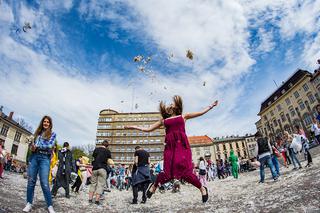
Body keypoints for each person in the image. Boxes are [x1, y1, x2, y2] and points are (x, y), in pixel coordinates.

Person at [125, 95, 218, 203]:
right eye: (169, 104)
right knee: (168, 173)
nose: (170, 104)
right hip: (169, 147)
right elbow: (148, 129)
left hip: (182, 146)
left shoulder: (184, 116)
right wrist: (133, 127)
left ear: (177, 106)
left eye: (172, 104)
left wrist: (211, 106)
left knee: (186, 173)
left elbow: (200, 113)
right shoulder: (163, 121)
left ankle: (202, 188)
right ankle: (155, 185)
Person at [23, 116, 56, 213]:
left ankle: (50, 206)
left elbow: (50, 145)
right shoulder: (36, 134)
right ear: (42, 123)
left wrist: (37, 146)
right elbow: (31, 147)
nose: (45, 123)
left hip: (45, 158)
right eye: (44, 121)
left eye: (47, 122)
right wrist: (31, 147)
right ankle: (29, 203)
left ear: (50, 124)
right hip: (34, 157)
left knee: (45, 183)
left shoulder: (52, 134)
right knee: (31, 181)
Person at [89, 140, 111, 205]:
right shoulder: (107, 151)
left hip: (95, 168)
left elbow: (94, 157)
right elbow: (109, 160)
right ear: (107, 146)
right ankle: (96, 201)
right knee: (100, 185)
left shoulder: (96, 149)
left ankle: (90, 199)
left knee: (93, 184)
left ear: (102, 144)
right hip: (102, 168)